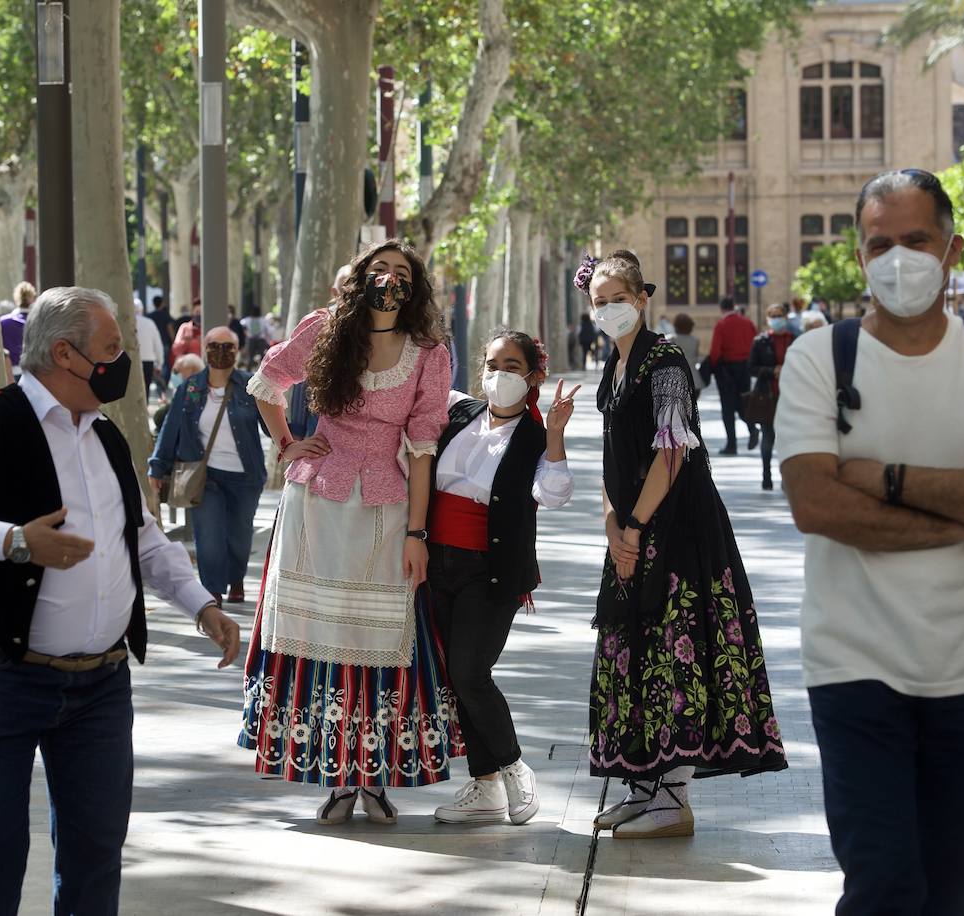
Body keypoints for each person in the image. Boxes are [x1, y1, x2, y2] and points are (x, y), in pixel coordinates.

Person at [0, 286, 241, 916]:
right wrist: (11, 542)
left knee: (95, 853)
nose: (124, 363)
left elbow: (141, 538)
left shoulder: (107, 437)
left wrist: (202, 605)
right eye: (113, 349)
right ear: (66, 353)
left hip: (100, 686)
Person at [776, 169, 964, 915]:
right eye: (882, 244)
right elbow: (816, 504)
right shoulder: (818, 361)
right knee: (885, 887)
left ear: (952, 249)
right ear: (861, 258)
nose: (900, 258)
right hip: (853, 662)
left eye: (918, 240)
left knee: (955, 895)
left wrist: (880, 476)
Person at [238, 239, 459, 824]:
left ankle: (374, 775)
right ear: (360, 276)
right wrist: (288, 444)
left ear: (416, 287)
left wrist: (418, 533)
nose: (389, 279)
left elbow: (422, 450)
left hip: (387, 513)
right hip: (316, 505)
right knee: (321, 641)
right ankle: (335, 777)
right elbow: (265, 382)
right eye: (379, 269)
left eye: (401, 272)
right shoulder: (325, 328)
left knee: (381, 644)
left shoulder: (429, 354)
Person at [581, 250, 786, 839]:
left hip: (677, 528)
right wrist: (612, 528)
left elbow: (671, 453)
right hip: (631, 528)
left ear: (642, 298)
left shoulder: (665, 359)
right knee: (635, 650)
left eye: (619, 297)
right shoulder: (611, 369)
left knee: (677, 648)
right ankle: (642, 785)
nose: (609, 309)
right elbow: (611, 459)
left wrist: (636, 528)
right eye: (599, 301)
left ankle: (673, 796)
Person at [427, 329, 577, 826]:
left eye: (512, 366)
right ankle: (485, 784)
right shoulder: (458, 412)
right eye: (492, 364)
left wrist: (554, 437)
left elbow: (553, 496)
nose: (498, 375)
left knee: (471, 671)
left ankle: (514, 767)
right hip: (436, 564)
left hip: (492, 572)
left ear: (534, 375)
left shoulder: (535, 435)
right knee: (455, 676)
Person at [149, 326, 266, 605]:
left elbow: (273, 425)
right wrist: (157, 466)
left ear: (237, 352)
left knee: (239, 535)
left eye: (228, 346)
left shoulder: (251, 386)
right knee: (209, 534)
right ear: (205, 349)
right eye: (214, 345)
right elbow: (171, 427)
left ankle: (236, 580)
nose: (221, 352)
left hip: (245, 476)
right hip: (205, 476)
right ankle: (212, 590)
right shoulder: (190, 388)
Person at [748, 303, 796, 491]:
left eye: (779, 315)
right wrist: (771, 371)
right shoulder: (760, 341)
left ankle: (786, 477)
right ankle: (766, 476)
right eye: (773, 316)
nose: (776, 319)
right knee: (768, 437)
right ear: (768, 319)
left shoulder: (795, 339)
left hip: (789, 396)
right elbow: (751, 368)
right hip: (767, 396)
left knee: (788, 439)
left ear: (785, 317)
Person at [707, 296, 758, 455]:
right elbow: (755, 342)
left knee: (728, 408)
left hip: (727, 370)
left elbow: (715, 351)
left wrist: (714, 367)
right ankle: (752, 428)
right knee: (743, 402)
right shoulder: (747, 323)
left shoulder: (721, 325)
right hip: (745, 368)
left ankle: (732, 444)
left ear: (722, 308)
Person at [0, 281, 37, 371]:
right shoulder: (38, 322)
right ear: (33, 299)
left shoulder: (3, 322)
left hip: (9, 371)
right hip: (32, 373)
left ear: (16, 299)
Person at [134, 297, 165, 393]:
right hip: (148, 361)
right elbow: (158, 345)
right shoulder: (149, 323)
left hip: (131, 360)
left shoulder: (125, 324)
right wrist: (160, 364)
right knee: (145, 389)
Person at [671, 313, 703, 393]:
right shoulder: (695, 341)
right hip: (694, 380)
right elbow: (696, 358)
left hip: (676, 381)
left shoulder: (671, 340)